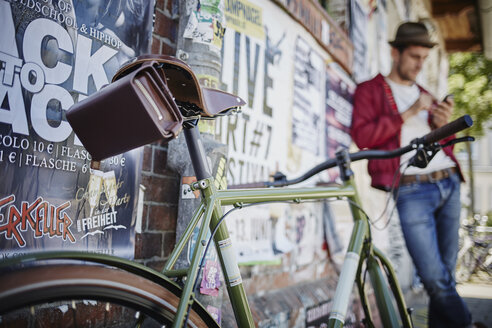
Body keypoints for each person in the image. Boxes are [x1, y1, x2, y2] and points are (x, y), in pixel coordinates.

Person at [350, 22, 473, 327]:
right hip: (411, 190)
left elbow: (442, 148)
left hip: (448, 183)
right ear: (395, 52)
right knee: (434, 280)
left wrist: (441, 126)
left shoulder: (427, 94)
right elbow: (363, 136)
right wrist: (408, 111)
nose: (420, 64)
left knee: (446, 279)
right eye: (415, 56)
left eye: (424, 58)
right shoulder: (371, 90)